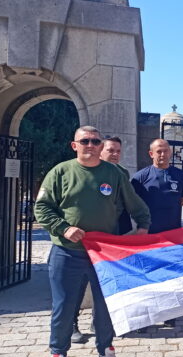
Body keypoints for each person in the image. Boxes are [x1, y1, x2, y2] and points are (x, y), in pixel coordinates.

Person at [34, 126, 151, 357]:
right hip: (67, 252)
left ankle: (106, 353)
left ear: (100, 146)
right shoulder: (60, 172)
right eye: (84, 140)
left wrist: (143, 225)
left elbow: (135, 204)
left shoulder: (114, 173)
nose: (90, 144)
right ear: (74, 145)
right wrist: (63, 227)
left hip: (103, 255)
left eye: (95, 141)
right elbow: (42, 208)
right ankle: (58, 355)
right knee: (63, 307)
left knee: (105, 306)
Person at [70, 136, 133, 344]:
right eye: (110, 150)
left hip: (113, 235)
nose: (114, 154)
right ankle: (72, 324)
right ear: (100, 151)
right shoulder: (85, 171)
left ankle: (100, 323)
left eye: (117, 151)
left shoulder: (121, 173)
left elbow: (126, 203)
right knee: (78, 282)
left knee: (106, 281)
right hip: (84, 239)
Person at [131, 138, 183, 330]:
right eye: (158, 151)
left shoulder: (180, 175)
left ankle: (169, 314)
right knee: (146, 277)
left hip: (172, 236)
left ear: (170, 153)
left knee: (169, 276)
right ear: (151, 154)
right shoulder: (140, 177)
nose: (162, 154)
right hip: (148, 235)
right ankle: (144, 317)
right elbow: (133, 204)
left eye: (165, 151)